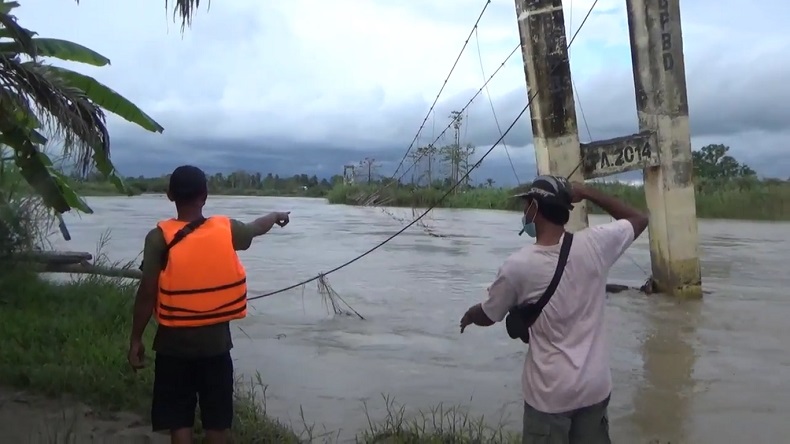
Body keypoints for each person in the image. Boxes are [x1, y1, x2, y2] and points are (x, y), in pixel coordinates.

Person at [459, 175, 648, 444]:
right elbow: (639, 218)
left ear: (534, 208)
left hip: (550, 396)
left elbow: (489, 315)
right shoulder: (596, 244)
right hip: (594, 389)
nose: (524, 212)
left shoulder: (518, 266)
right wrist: (588, 193)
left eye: (526, 205)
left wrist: (470, 315)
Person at [127, 165, 291, 444]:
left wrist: (136, 339)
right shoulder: (226, 229)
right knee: (218, 424)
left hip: (172, 348)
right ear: (205, 195)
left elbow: (146, 293)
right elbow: (256, 228)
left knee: (179, 422)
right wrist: (275, 216)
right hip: (216, 349)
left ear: (169, 196)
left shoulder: (157, 238)